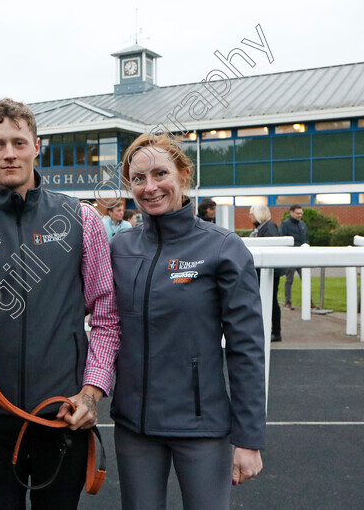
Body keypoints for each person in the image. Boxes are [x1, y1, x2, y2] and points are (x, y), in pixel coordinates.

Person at [0, 98, 121, 509]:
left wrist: (91, 392)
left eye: (18, 142)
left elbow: (106, 315)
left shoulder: (80, 217)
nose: (9, 154)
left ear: (37, 145)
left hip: (63, 412)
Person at [111, 134, 265, 509]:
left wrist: (248, 439)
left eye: (160, 173)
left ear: (183, 174)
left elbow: (247, 348)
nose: (150, 187)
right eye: (138, 178)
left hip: (201, 426)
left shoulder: (223, 247)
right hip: (135, 427)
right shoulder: (119, 248)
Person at [250, 204, 282, 341]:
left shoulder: (268, 227)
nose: (249, 216)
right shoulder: (262, 227)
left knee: (272, 301)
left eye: (251, 213)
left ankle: (276, 331)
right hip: (263, 271)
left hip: (270, 272)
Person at [280, 204, 309, 310]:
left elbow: (305, 238)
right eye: (297, 213)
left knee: (305, 279)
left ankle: (309, 301)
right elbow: (283, 239)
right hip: (291, 256)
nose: (300, 215)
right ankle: (288, 302)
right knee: (289, 280)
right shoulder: (285, 225)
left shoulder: (302, 224)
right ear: (291, 213)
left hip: (302, 256)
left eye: (301, 213)